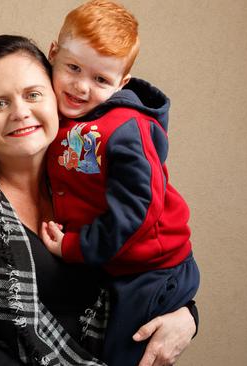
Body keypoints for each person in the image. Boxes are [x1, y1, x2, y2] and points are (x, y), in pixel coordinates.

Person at [0, 34, 198, 366]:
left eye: (33, 95)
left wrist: (187, 316)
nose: (20, 112)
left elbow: (151, 262)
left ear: (56, 99)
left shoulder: (98, 178)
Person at [40, 1, 200, 365]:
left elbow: (137, 212)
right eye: (73, 68)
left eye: (100, 80)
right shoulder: (59, 118)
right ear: (53, 53)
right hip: (121, 265)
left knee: (122, 356)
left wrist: (74, 247)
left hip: (155, 269)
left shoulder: (124, 127)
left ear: (121, 84)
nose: (81, 86)